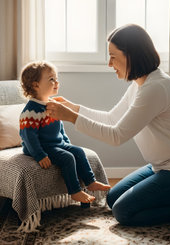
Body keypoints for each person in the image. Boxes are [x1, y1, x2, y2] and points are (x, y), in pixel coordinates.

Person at [45, 24, 170, 225]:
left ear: (132, 55)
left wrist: (71, 117)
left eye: (113, 56)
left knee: (124, 212)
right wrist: (74, 108)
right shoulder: (140, 83)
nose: (110, 64)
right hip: (162, 166)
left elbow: (116, 136)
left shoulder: (156, 87)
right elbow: (112, 118)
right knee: (113, 199)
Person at [19, 61, 111, 204]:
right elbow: (28, 136)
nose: (56, 82)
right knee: (67, 158)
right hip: (42, 147)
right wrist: (39, 155)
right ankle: (74, 191)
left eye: (56, 78)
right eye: (51, 79)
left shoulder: (53, 105)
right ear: (36, 85)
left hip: (57, 144)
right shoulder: (31, 111)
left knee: (78, 151)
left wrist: (67, 144)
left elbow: (60, 128)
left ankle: (91, 182)